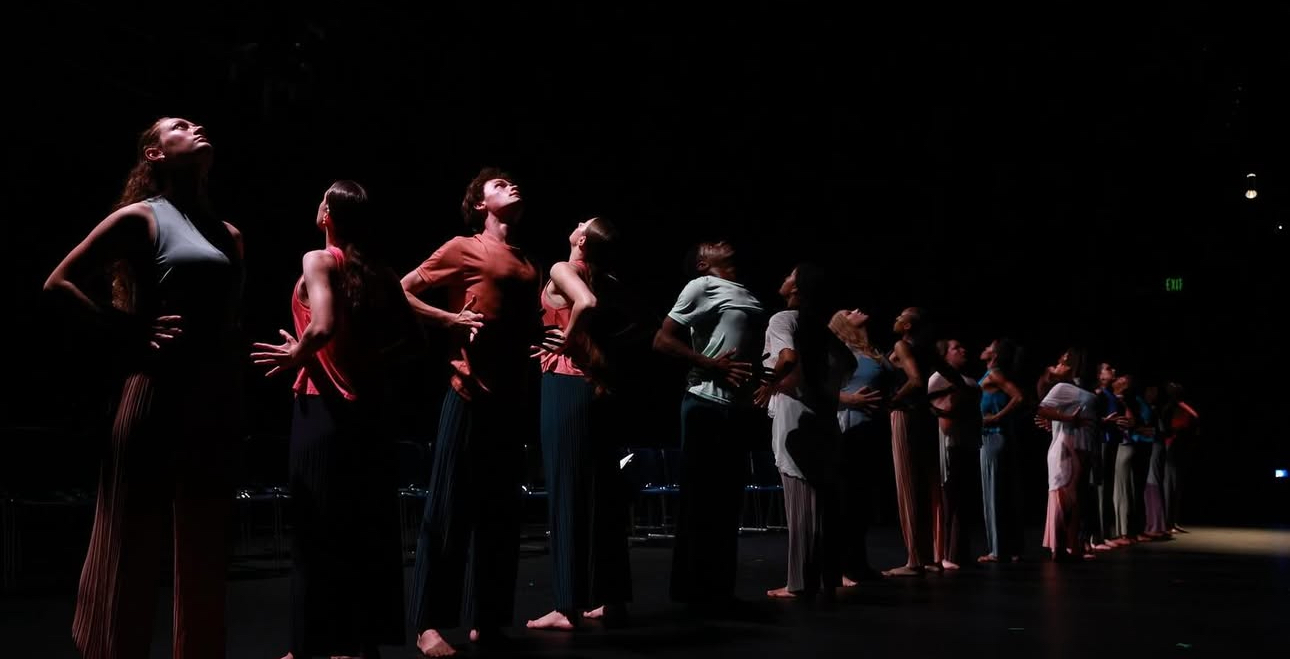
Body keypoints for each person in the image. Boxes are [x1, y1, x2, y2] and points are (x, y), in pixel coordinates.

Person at [44, 117, 244, 659]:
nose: (197, 125)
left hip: (209, 397)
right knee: (129, 538)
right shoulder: (141, 218)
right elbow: (58, 282)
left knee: (203, 541)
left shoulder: (228, 234)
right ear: (154, 154)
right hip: (154, 390)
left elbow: (226, 323)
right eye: (179, 126)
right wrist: (128, 328)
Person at [251, 181, 412, 659]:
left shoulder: (319, 260)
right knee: (364, 527)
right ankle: (360, 643)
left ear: (327, 215)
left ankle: (311, 646)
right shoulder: (381, 272)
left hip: (323, 411)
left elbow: (321, 325)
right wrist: (363, 365)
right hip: (371, 413)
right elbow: (411, 342)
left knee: (316, 528)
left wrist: (296, 355)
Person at [401, 168, 549, 657]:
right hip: (468, 392)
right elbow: (401, 291)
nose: (511, 185)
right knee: (446, 510)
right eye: (499, 183)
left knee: (500, 516)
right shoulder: (462, 247)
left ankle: (487, 619)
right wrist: (450, 319)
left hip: (511, 398)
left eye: (513, 181)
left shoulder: (526, 259)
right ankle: (427, 625)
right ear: (479, 204)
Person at [526, 217, 633, 630]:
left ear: (582, 239)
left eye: (580, 224)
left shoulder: (562, 268)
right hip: (598, 390)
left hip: (565, 388)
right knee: (603, 494)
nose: (574, 224)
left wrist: (569, 339)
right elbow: (637, 323)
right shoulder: (608, 278)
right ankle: (612, 600)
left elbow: (584, 303)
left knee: (567, 490)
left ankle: (567, 605)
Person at [653, 240, 764, 604]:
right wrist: (710, 363)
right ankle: (690, 589)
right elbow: (662, 340)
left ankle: (719, 588)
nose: (718, 241)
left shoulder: (745, 292)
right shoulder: (701, 286)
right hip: (705, 403)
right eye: (708, 245)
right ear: (703, 263)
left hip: (737, 408)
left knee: (728, 501)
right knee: (701, 499)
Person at [828, 308, 889, 583]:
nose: (857, 310)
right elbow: (819, 386)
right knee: (849, 499)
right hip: (850, 426)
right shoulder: (840, 350)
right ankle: (842, 566)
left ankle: (858, 562)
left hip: (872, 428)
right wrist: (850, 400)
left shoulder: (871, 349)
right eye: (848, 311)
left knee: (863, 500)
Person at [928, 339, 979, 570]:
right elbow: (943, 417)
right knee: (951, 499)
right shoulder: (939, 378)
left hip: (966, 442)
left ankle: (960, 551)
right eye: (956, 348)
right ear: (945, 355)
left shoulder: (966, 380)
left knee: (963, 500)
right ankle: (947, 552)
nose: (963, 350)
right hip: (951, 443)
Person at [976, 339, 1026, 563]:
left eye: (988, 346)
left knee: (994, 493)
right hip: (997, 437)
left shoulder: (994, 374)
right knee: (1003, 492)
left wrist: (997, 417)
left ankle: (998, 550)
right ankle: (1011, 547)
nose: (983, 348)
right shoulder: (992, 374)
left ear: (994, 355)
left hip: (993, 436)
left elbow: (1019, 397)